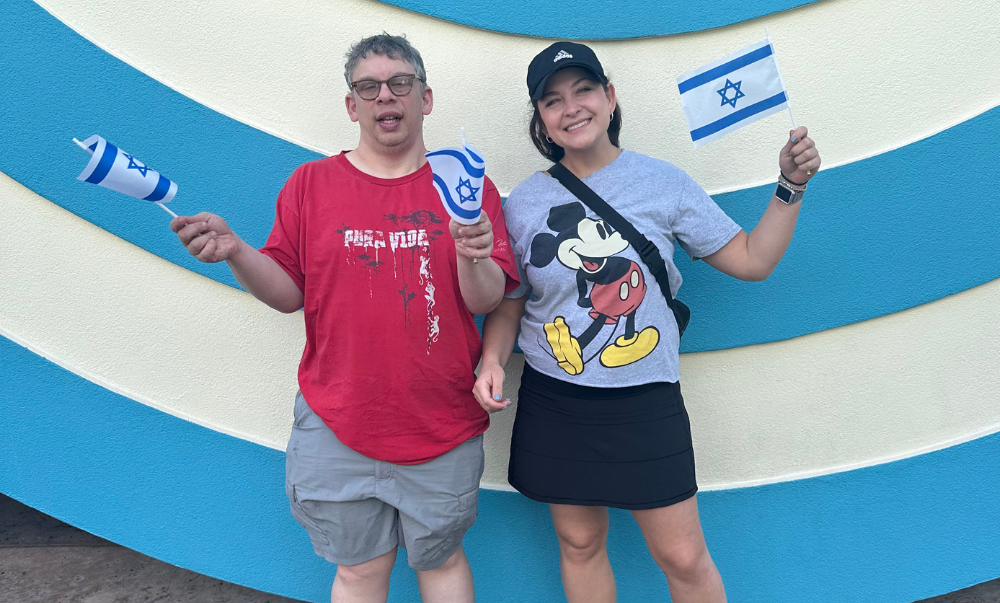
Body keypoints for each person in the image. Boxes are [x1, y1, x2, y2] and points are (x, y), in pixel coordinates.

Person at [171, 34, 518, 603]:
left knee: (442, 561)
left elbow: (485, 300)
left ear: (424, 98)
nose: (386, 96)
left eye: (400, 83)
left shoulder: (467, 187)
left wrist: (471, 251)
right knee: (358, 571)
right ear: (351, 105)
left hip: (441, 423)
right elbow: (288, 295)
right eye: (369, 86)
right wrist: (236, 250)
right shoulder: (310, 185)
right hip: (337, 422)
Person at [473, 41, 821, 603]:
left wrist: (790, 187)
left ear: (609, 97)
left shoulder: (665, 183)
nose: (572, 107)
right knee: (579, 542)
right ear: (540, 118)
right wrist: (491, 359)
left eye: (584, 90)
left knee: (683, 557)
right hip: (556, 398)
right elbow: (513, 298)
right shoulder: (525, 204)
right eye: (553, 100)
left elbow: (752, 260)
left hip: (646, 398)